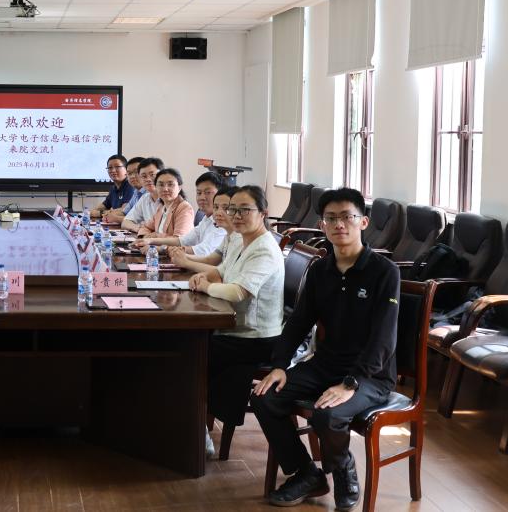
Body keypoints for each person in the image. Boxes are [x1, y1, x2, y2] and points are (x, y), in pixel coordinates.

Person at [252, 187, 400, 511]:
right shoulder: (320, 270)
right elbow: (298, 322)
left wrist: (351, 382)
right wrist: (279, 365)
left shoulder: (384, 272)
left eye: (347, 217)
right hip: (325, 364)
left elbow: (384, 339)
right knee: (265, 397)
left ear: (363, 222)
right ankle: (307, 474)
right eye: (331, 218)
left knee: (328, 415)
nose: (339, 224)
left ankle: (343, 469)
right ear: (322, 225)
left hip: (371, 375)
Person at [189, 184, 284, 459]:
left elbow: (238, 292)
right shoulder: (240, 239)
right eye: (233, 209)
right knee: (188, 343)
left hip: (256, 338)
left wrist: (206, 287)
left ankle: (197, 431)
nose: (236, 215)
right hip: (235, 328)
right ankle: (194, 421)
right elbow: (221, 270)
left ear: (263, 213)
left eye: (245, 210)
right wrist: (204, 277)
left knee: (192, 354)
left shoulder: (264, 249)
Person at [136, 172, 226, 254]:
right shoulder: (206, 219)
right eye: (199, 193)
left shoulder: (222, 221)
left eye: (208, 192)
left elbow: (203, 250)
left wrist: (163, 248)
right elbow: (183, 240)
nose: (202, 197)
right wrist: (150, 240)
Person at [168, 186, 238, 275]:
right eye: (216, 207)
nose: (218, 213)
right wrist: (182, 256)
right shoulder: (228, 237)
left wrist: (186, 263)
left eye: (226, 208)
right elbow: (210, 260)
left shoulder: (240, 238)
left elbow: (225, 272)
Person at [134, 168, 195, 238]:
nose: (165, 189)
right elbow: (146, 227)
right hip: (155, 245)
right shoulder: (161, 208)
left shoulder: (184, 208)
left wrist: (156, 236)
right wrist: (146, 236)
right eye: (161, 185)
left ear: (179, 188)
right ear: (156, 187)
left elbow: (180, 239)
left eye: (170, 184)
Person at [121, 157, 164, 233]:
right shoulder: (145, 198)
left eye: (152, 175)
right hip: (148, 238)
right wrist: (139, 229)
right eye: (144, 176)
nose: (148, 179)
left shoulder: (169, 199)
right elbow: (125, 222)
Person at [90, 154, 133, 219]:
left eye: (117, 167)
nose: (113, 170)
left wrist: (100, 213)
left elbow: (125, 210)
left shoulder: (130, 185)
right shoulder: (114, 188)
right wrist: (91, 212)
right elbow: (102, 206)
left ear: (126, 169)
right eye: (110, 168)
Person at [104, 156, 144, 223]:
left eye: (136, 172)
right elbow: (125, 211)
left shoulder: (148, 194)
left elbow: (141, 221)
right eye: (129, 173)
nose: (132, 176)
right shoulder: (136, 192)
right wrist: (108, 214)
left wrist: (115, 218)